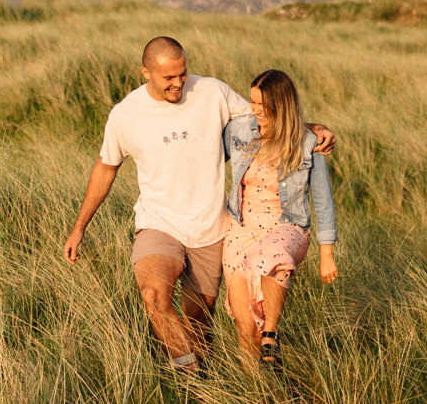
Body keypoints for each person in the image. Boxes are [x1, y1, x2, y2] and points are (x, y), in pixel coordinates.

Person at [64, 38, 332, 375]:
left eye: (183, 73)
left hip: (211, 229)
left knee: (198, 325)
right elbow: (106, 167)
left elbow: (263, 121)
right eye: (168, 78)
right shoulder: (125, 115)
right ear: (146, 72)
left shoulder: (212, 92)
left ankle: (200, 384)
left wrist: (312, 129)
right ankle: (187, 376)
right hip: (158, 223)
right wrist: (79, 226)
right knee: (153, 296)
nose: (179, 83)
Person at [222, 69, 338, 368]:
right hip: (241, 227)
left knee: (268, 257)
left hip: (286, 226)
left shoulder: (308, 142)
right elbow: (205, 149)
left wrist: (327, 254)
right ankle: (258, 392)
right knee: (244, 326)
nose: (255, 110)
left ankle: (271, 334)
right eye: (252, 102)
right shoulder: (239, 131)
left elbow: (323, 201)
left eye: (263, 105)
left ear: (282, 106)